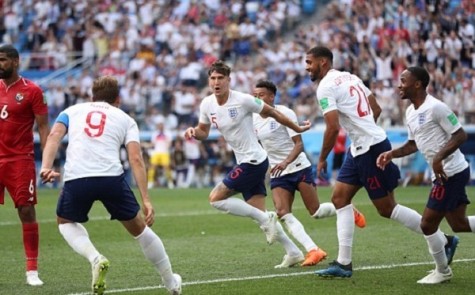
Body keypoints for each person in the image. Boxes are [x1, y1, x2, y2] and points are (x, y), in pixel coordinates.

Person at [305, 46, 458, 279]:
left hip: (370, 149)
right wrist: (365, 130)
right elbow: (375, 107)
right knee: (339, 198)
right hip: (360, 147)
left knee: (387, 209)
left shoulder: (325, 87)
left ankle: (443, 240)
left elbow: (333, 127)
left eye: (309, 62)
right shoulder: (350, 76)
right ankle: (343, 263)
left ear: (323, 62)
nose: (307, 67)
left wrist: (323, 158)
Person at [39, 76, 181, 295]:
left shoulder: (71, 111)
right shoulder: (125, 118)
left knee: (64, 221)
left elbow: (54, 135)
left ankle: (95, 258)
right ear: (118, 99)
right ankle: (171, 283)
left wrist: (46, 166)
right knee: (140, 230)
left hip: (78, 178)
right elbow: (136, 159)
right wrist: (146, 200)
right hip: (110, 178)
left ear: (91, 96)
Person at [184, 60, 311, 268]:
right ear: (209, 81)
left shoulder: (243, 100)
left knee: (215, 199)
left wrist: (296, 126)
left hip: (254, 161)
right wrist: (193, 132)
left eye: (220, 78)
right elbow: (203, 131)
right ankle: (294, 251)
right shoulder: (207, 104)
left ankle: (267, 219)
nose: (216, 82)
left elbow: (274, 112)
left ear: (228, 80)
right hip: (244, 160)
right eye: (213, 78)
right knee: (260, 218)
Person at [252, 80, 366, 267]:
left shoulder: (285, 113)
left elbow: (299, 144)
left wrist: (285, 162)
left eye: (261, 95)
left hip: (298, 167)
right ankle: (313, 250)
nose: (256, 98)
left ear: (271, 97)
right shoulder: (253, 118)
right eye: (254, 95)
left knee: (315, 211)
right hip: (278, 173)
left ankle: (348, 210)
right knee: (283, 213)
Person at [377, 66, 474, 284]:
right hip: (442, 172)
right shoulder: (410, 112)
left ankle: (443, 271)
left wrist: (438, 159)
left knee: (428, 224)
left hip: (450, 172)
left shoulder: (436, 107)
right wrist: (391, 154)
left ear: (418, 84)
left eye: (403, 80)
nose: (399, 85)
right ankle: (443, 269)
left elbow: (460, 135)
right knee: (458, 224)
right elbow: (413, 144)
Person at [0, 44, 49, 286]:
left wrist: (47, 161)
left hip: (20, 159)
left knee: (26, 211)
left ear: (16, 62)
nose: (0, 64)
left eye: (3, 60)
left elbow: (43, 127)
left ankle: (32, 270)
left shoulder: (33, 91)